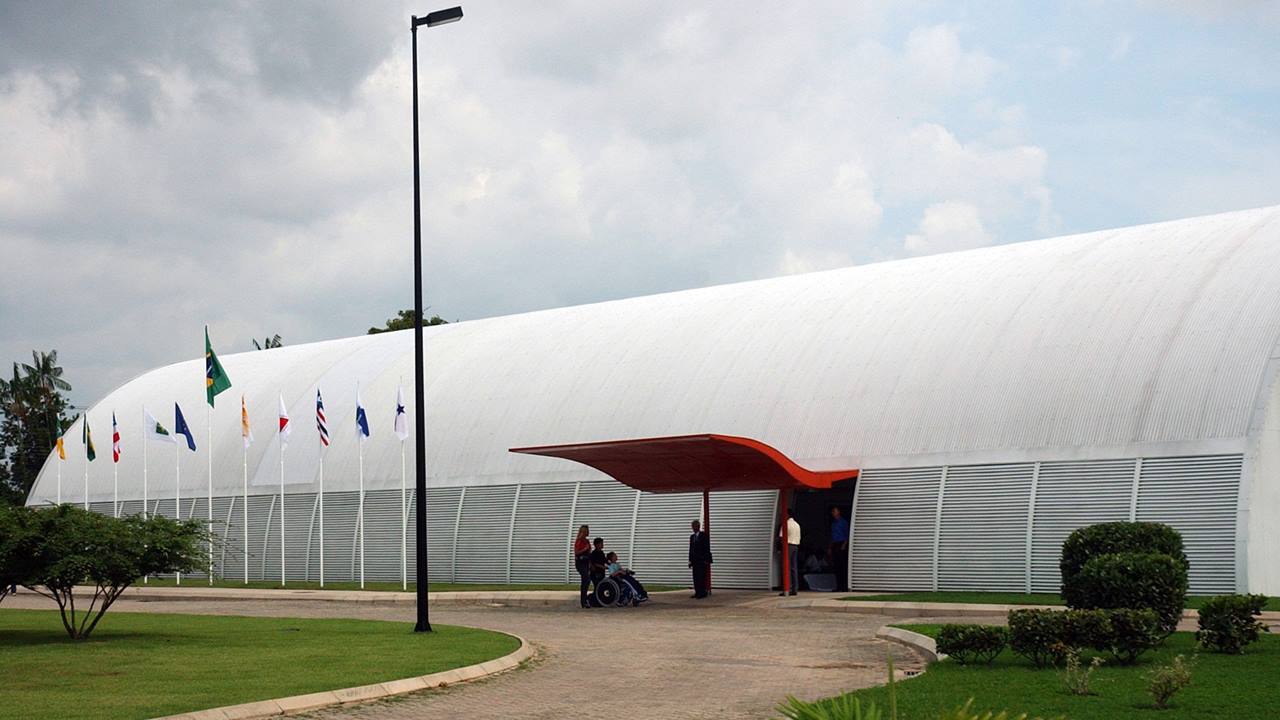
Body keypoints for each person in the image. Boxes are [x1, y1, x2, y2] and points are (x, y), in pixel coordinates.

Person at [688, 519, 712, 599]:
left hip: (701, 560)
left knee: (701, 577)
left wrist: (706, 559)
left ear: (698, 527)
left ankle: (702, 593)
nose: (693, 528)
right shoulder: (692, 537)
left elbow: (706, 548)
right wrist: (690, 560)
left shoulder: (703, 536)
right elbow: (690, 549)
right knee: (695, 577)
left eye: (694, 526)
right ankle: (697, 592)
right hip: (694, 561)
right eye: (692, 526)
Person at [829, 506, 850, 592]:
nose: (833, 513)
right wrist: (830, 547)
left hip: (841, 544)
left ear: (838, 512)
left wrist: (844, 545)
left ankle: (844, 586)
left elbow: (847, 534)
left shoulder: (843, 522)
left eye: (834, 511)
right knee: (836, 566)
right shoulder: (833, 523)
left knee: (842, 566)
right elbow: (832, 536)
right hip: (835, 544)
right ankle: (838, 586)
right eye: (832, 512)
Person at [779, 514, 800, 596]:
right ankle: (795, 588)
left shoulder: (785, 524)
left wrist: (780, 548)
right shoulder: (797, 524)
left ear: (787, 515)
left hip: (788, 546)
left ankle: (787, 588)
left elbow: (781, 537)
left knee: (786, 567)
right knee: (794, 568)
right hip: (796, 546)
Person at [573, 524, 592, 609]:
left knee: (585, 581)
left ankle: (584, 600)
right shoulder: (579, 541)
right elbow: (576, 552)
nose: (587, 532)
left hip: (586, 562)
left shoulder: (587, 541)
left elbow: (589, 553)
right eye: (586, 531)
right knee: (586, 578)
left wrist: (590, 563)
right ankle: (583, 600)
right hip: (580, 562)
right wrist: (584, 549)